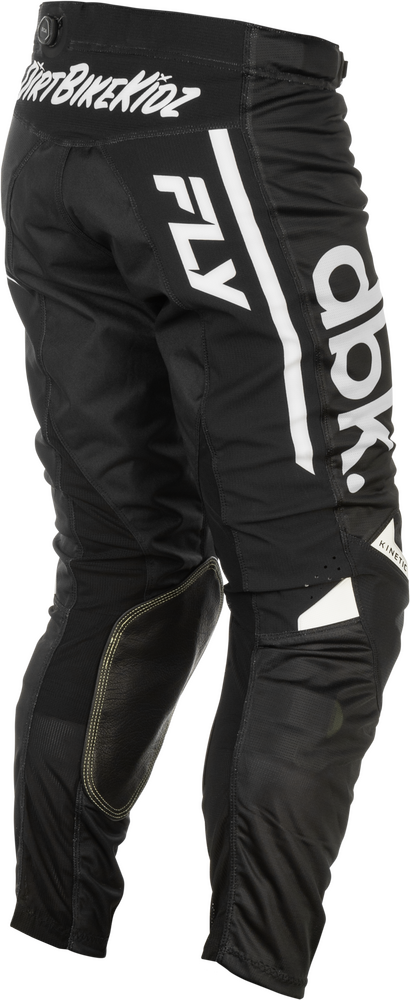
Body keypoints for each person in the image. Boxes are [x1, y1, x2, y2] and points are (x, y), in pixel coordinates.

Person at [2, 3, 408, 996]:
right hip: (228, 115)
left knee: (125, 567)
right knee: (329, 600)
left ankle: (50, 933)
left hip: (59, 95)